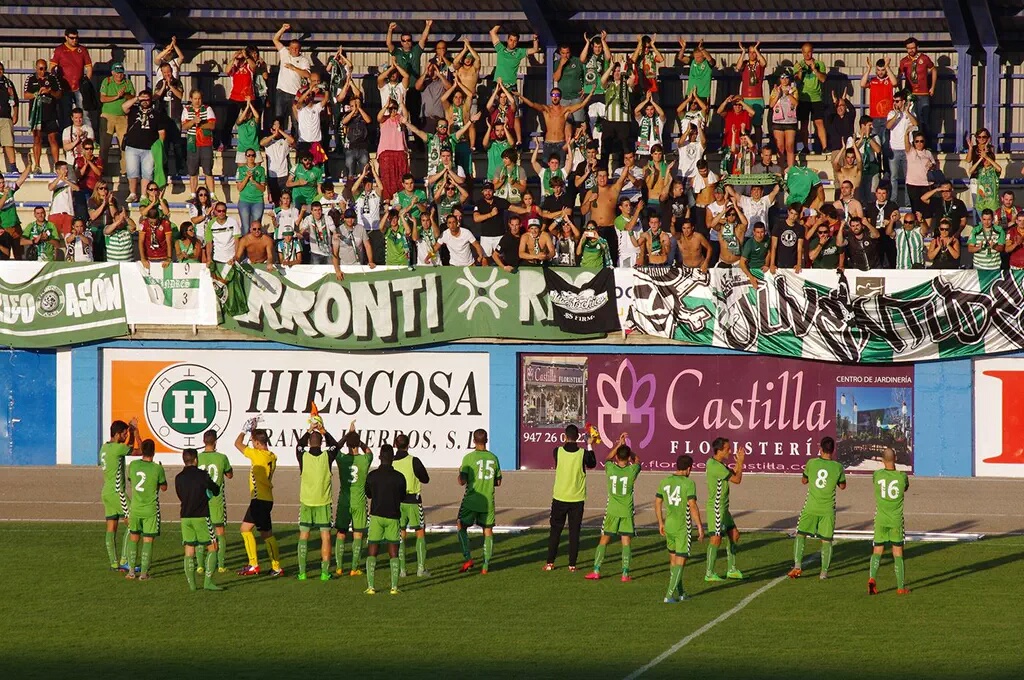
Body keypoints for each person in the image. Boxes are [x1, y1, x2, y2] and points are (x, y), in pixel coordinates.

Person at [789, 436, 847, 580]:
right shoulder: (838, 467)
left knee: (801, 534)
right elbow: (842, 486)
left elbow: (804, 481)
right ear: (833, 450)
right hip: (827, 510)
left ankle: (797, 566)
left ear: (820, 449)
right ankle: (823, 573)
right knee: (826, 540)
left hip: (811, 507)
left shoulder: (811, 463)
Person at [585, 433, 639, 582]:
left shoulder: (610, 468)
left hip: (612, 511)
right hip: (626, 511)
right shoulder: (632, 470)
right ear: (628, 458)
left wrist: (619, 445)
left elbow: (607, 459)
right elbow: (637, 460)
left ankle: (596, 570)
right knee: (626, 542)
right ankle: (625, 574)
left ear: (617, 457)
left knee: (604, 540)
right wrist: (627, 449)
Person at [544, 424, 597, 572]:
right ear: (578, 437)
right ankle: (572, 564)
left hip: (560, 497)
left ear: (565, 436)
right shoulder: (583, 453)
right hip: (576, 499)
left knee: (555, 531)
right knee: (574, 533)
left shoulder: (557, 451)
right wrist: (589, 445)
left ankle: (550, 562)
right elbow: (592, 463)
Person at [235, 424, 283, 577]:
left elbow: (237, 444)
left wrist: (244, 430)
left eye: (252, 441)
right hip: (267, 499)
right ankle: (276, 567)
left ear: (257, 442)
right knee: (267, 533)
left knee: (246, 530)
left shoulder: (257, 455)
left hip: (258, 499)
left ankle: (254, 564)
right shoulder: (271, 456)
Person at [656, 454, 704, 604]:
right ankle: (669, 595)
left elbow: (657, 502)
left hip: (669, 525)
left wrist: (660, 523)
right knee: (681, 561)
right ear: (689, 468)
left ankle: (681, 593)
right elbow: (692, 505)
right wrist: (700, 526)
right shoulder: (689, 483)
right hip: (682, 527)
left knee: (673, 561)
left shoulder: (664, 481)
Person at [175, 448, 223, 592]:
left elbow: (180, 495)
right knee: (213, 546)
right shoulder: (202, 475)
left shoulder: (178, 477)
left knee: (189, 549)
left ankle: (192, 585)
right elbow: (215, 490)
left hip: (185, 517)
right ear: (196, 460)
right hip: (201, 516)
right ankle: (208, 582)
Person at [295, 421, 338, 582]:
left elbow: (299, 446)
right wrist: (324, 431)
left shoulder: (303, 456)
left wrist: (309, 430)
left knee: (303, 536)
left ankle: (302, 572)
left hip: (306, 501)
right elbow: (335, 445)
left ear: (309, 442)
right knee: (325, 537)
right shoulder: (327, 456)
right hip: (323, 502)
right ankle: (324, 573)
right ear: (321, 443)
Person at [456, 429, 503, 575]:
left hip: (471, 500)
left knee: (461, 525)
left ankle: (468, 558)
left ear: (474, 441)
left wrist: (459, 473)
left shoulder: (469, 458)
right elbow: (498, 482)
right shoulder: (493, 458)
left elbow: (462, 481)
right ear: (486, 440)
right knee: (487, 530)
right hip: (488, 501)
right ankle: (485, 565)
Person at [363, 444, 406, 596]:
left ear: (380, 457)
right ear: (393, 458)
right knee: (393, 552)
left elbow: (368, 494)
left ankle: (371, 587)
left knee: (372, 551)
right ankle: (394, 587)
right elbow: (402, 496)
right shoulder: (399, 477)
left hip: (376, 516)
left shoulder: (372, 476)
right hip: (393, 517)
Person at [703, 437, 746, 582]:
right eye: (728, 449)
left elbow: (732, 473)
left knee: (734, 535)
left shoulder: (717, 464)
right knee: (716, 539)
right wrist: (741, 463)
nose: (730, 451)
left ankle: (731, 569)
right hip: (716, 508)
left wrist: (738, 464)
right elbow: (737, 480)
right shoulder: (716, 466)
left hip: (724, 508)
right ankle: (709, 573)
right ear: (719, 450)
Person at [123, 439, 167, 581]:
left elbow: (131, 480)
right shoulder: (157, 468)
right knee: (148, 540)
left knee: (133, 538)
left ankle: (131, 572)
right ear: (154, 451)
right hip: (150, 509)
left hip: (135, 508)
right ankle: (143, 574)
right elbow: (164, 488)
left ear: (142, 450)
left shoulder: (133, 465)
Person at [869, 447, 910, 596]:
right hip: (895, 520)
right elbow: (905, 488)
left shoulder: (877, 475)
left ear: (882, 460)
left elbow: (876, 482)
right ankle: (900, 587)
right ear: (896, 458)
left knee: (877, 550)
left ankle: (872, 578)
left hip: (881, 518)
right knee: (898, 552)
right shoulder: (902, 476)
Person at [99, 418, 139, 570]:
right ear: (117, 434)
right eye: (124, 434)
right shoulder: (118, 448)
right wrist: (135, 432)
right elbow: (138, 451)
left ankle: (114, 563)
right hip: (117, 493)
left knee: (111, 527)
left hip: (106, 492)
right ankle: (124, 559)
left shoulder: (105, 448)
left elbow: (127, 448)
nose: (126, 436)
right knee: (133, 522)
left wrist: (131, 433)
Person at [335, 425, 373, 577]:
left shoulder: (342, 459)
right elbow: (369, 452)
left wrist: (347, 435)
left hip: (344, 500)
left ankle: (339, 567)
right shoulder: (365, 459)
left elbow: (335, 448)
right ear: (358, 443)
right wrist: (359, 441)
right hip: (359, 501)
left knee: (341, 533)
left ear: (347, 444)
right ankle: (354, 568)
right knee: (358, 534)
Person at [193, 430, 232, 573]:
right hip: (217, 500)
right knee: (220, 532)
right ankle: (221, 565)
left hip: (200, 501)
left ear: (203, 441)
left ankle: (200, 565)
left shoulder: (197, 458)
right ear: (215, 441)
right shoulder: (222, 458)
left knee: (200, 533)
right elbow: (229, 475)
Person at [393, 433, 431, 578]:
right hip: (413, 501)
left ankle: (402, 570)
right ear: (408, 445)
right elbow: (425, 479)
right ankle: (420, 568)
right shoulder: (413, 460)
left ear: (395, 445)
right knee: (420, 532)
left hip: (397, 502)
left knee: (400, 534)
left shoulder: (391, 462)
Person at [121, 89, 165, 203]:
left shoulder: (157, 114)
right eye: (142, 99)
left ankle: (144, 195)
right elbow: (124, 107)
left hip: (149, 149)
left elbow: (161, 132)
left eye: (147, 99)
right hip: (132, 147)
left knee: (147, 172)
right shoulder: (133, 110)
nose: (145, 101)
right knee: (132, 171)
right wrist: (137, 98)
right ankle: (133, 193)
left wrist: (160, 147)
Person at [25, 59, 63, 174]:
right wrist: (36, 94)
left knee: (53, 139)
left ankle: (57, 166)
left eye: (45, 68)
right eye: (41, 69)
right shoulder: (31, 79)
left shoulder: (52, 78)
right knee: (37, 139)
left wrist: (49, 91)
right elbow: (26, 95)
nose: (43, 71)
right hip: (37, 114)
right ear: (36, 68)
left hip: (50, 113)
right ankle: (37, 166)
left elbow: (59, 94)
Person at [272, 24, 312, 132]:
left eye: (296, 48)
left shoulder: (303, 60)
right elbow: (275, 39)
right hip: (282, 91)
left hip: (295, 94)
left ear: (300, 49)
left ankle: (296, 140)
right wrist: (283, 29)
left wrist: (293, 68)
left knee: (295, 120)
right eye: (292, 48)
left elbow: (307, 74)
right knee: (279, 118)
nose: (294, 50)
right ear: (289, 48)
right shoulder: (285, 53)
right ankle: (280, 139)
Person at [898, 37, 936, 143]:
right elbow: (899, 76)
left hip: (924, 94)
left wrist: (932, 87)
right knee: (913, 120)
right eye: (908, 48)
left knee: (925, 121)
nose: (911, 50)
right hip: (911, 95)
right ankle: (914, 144)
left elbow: (933, 69)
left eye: (913, 48)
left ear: (917, 47)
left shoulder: (924, 58)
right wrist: (901, 91)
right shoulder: (904, 61)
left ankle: (927, 144)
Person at [181, 89, 216, 199]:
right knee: (193, 172)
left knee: (208, 171)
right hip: (192, 144)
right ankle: (192, 195)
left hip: (206, 143)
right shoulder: (186, 110)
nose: (197, 101)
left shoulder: (207, 109)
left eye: (199, 98)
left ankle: (212, 194)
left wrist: (199, 124)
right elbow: (184, 126)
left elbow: (212, 125)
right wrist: (193, 121)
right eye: (195, 99)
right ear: (191, 99)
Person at [793, 42, 828, 153]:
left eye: (809, 52)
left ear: (812, 52)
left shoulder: (819, 64)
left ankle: (825, 147)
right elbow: (796, 81)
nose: (807, 54)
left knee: (819, 123)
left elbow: (823, 79)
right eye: (805, 52)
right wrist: (800, 72)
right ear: (802, 52)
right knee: (804, 124)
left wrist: (815, 70)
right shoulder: (798, 65)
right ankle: (805, 147)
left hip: (816, 98)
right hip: (803, 98)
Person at [236, 148, 267, 230]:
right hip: (244, 200)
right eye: (249, 155)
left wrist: (253, 181)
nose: (251, 157)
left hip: (257, 201)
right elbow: (239, 188)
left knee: (256, 226)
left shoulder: (261, 170)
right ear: (246, 157)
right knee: (246, 227)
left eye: (253, 155)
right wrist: (246, 177)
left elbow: (263, 189)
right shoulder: (240, 169)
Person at [0, 62, 20, 173]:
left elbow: (15, 100)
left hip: (5, 117)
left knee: (8, 143)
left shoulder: (8, 83)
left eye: (1, 69)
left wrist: (15, 114)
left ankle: (13, 167)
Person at [739, 222, 770, 286]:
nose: (760, 235)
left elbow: (769, 252)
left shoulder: (767, 239)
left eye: (762, 232)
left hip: (764, 270)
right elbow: (741, 263)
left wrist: (767, 264)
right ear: (754, 232)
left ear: (765, 231)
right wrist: (751, 278)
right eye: (758, 232)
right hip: (752, 270)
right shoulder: (749, 244)